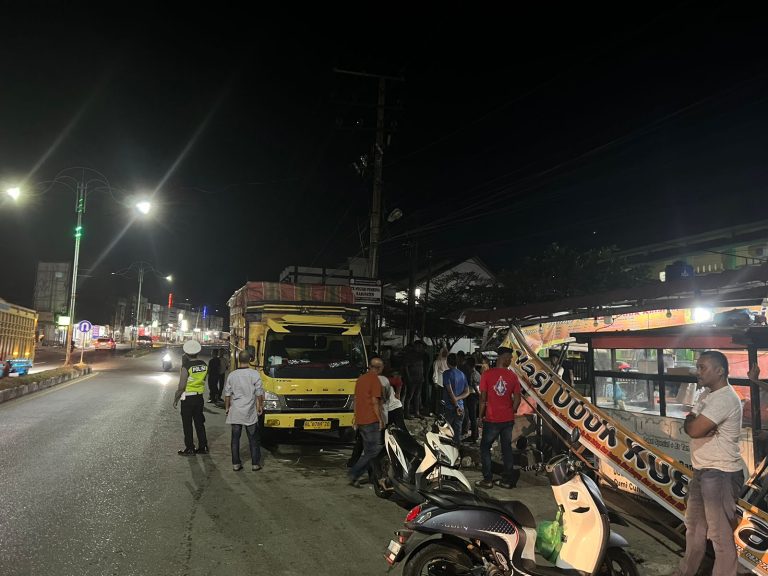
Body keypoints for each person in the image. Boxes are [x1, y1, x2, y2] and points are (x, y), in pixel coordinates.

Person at [675, 350, 744, 576]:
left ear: (720, 370)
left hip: (721, 473)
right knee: (694, 530)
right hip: (702, 471)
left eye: (702, 367)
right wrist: (695, 423)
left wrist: (695, 424)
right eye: (698, 367)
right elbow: (690, 424)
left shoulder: (725, 398)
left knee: (720, 538)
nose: (698, 371)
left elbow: (694, 429)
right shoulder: (706, 394)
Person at [476, 346, 521, 489]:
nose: (511, 360)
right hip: (507, 420)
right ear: (503, 357)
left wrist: (480, 416)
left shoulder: (487, 375)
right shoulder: (512, 376)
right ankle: (507, 481)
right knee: (506, 448)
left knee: (485, 448)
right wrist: (511, 410)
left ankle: (488, 479)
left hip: (492, 420)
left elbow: (483, 399)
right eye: (509, 357)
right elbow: (517, 399)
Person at [224, 349, 265, 471]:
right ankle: (255, 464)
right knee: (253, 439)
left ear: (238, 360)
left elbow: (227, 394)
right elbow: (259, 393)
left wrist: (227, 408)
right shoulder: (254, 374)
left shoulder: (232, 375)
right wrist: (260, 406)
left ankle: (236, 464)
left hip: (236, 411)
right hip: (249, 412)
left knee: (235, 439)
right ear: (250, 360)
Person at [348, 356, 385, 488]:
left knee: (369, 450)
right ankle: (354, 473)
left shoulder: (360, 379)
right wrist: (380, 419)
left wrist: (355, 418)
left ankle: (362, 476)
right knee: (373, 452)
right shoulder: (375, 380)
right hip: (371, 420)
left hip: (361, 420)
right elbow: (375, 402)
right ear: (379, 368)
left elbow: (356, 399)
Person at [173, 340, 209, 455]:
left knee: (187, 424)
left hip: (188, 398)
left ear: (187, 353)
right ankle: (203, 447)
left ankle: (190, 448)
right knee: (199, 423)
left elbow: (181, 386)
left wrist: (176, 398)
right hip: (199, 398)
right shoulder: (203, 364)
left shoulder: (186, 366)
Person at [443, 353, 470, 445]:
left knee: (446, 431)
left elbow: (450, 392)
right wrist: (458, 398)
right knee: (457, 432)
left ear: (447, 362)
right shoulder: (462, 374)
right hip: (461, 406)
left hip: (450, 407)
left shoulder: (446, 374)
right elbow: (467, 391)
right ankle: (457, 450)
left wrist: (455, 404)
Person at [461, 356, 481, 444]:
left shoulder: (473, 374)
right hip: (474, 397)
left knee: (472, 417)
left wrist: (478, 396)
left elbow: (476, 388)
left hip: (472, 396)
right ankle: (475, 435)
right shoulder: (477, 373)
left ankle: (474, 436)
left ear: (469, 365)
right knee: (473, 417)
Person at [404, 343, 426, 419]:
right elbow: (406, 367)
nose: (420, 348)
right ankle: (406, 413)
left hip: (419, 378)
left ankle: (417, 412)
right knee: (409, 396)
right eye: (419, 346)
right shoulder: (409, 355)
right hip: (412, 379)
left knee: (417, 396)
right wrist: (408, 378)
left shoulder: (420, 356)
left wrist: (422, 377)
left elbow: (421, 367)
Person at [431, 347, 449, 416]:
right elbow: (435, 372)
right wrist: (435, 381)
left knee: (445, 399)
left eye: (446, 352)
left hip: (447, 383)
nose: (445, 353)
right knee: (438, 398)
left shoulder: (448, 361)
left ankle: (444, 412)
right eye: (443, 352)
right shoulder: (437, 361)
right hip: (439, 382)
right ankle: (438, 412)